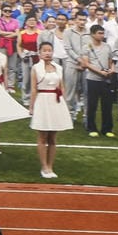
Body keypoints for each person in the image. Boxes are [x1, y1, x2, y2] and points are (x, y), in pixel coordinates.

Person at [29, 45, 73, 179]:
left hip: (56, 102)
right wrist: (31, 107)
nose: (47, 53)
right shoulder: (36, 68)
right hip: (42, 102)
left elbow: (62, 87)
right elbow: (34, 89)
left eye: (50, 51)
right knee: (42, 136)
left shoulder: (58, 68)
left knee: (53, 138)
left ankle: (50, 166)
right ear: (40, 53)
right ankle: (44, 167)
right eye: (45, 51)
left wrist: (63, 105)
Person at [78, 25, 118, 137]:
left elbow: (111, 61)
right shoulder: (86, 47)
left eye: (102, 33)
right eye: (99, 33)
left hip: (106, 80)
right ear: (92, 34)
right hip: (92, 79)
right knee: (92, 105)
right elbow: (86, 63)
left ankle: (107, 129)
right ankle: (92, 128)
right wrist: (100, 72)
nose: (102, 35)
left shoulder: (107, 47)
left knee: (107, 106)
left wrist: (111, 70)